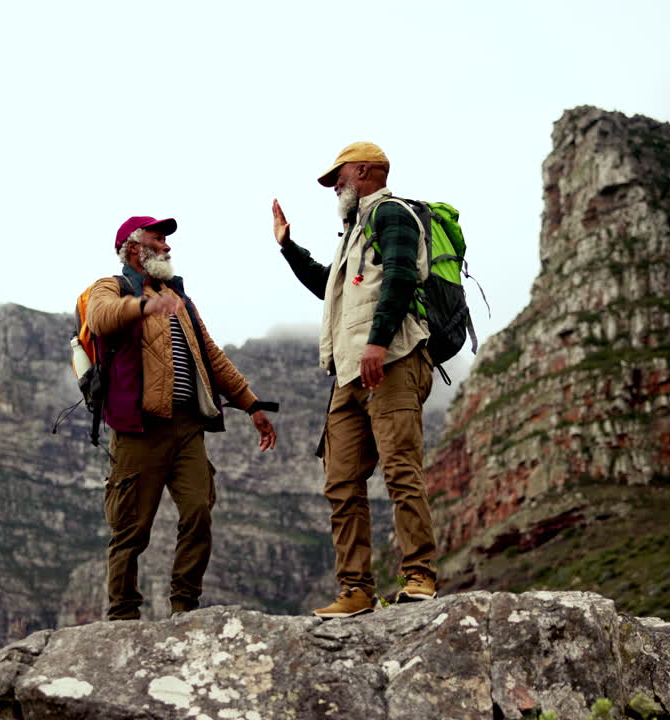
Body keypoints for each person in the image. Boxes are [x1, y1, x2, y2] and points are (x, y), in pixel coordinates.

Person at [271, 142, 439, 618]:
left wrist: (377, 343)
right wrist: (288, 248)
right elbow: (328, 287)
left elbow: (402, 276)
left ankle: (419, 575)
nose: (334, 186)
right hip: (348, 374)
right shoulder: (354, 232)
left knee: (400, 469)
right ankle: (356, 590)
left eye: (338, 176)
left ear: (364, 171)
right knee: (341, 481)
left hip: (392, 362)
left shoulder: (393, 214)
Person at [85, 215, 277, 621]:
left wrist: (252, 405)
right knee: (131, 528)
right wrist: (143, 306)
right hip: (139, 429)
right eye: (158, 239)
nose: (167, 246)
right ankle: (122, 615)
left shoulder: (179, 299)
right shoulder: (111, 287)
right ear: (134, 248)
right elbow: (100, 317)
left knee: (198, 511)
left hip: (188, 427)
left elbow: (212, 357)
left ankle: (184, 608)